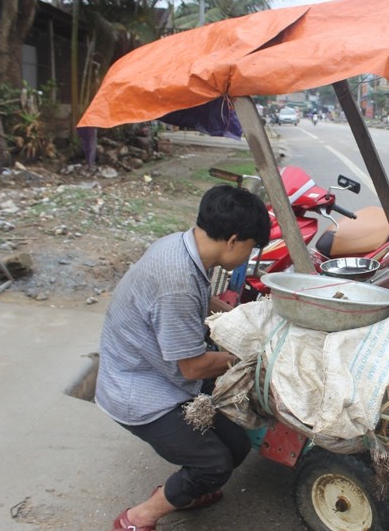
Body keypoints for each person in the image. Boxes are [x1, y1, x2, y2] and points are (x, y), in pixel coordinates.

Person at [96, 184, 270, 531]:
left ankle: (186, 491)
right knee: (214, 464)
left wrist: (239, 318)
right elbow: (193, 366)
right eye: (251, 249)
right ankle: (137, 517)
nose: (249, 256)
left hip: (158, 370)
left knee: (236, 445)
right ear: (233, 240)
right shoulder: (175, 279)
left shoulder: (183, 245)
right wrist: (255, 352)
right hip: (138, 390)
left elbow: (203, 300)